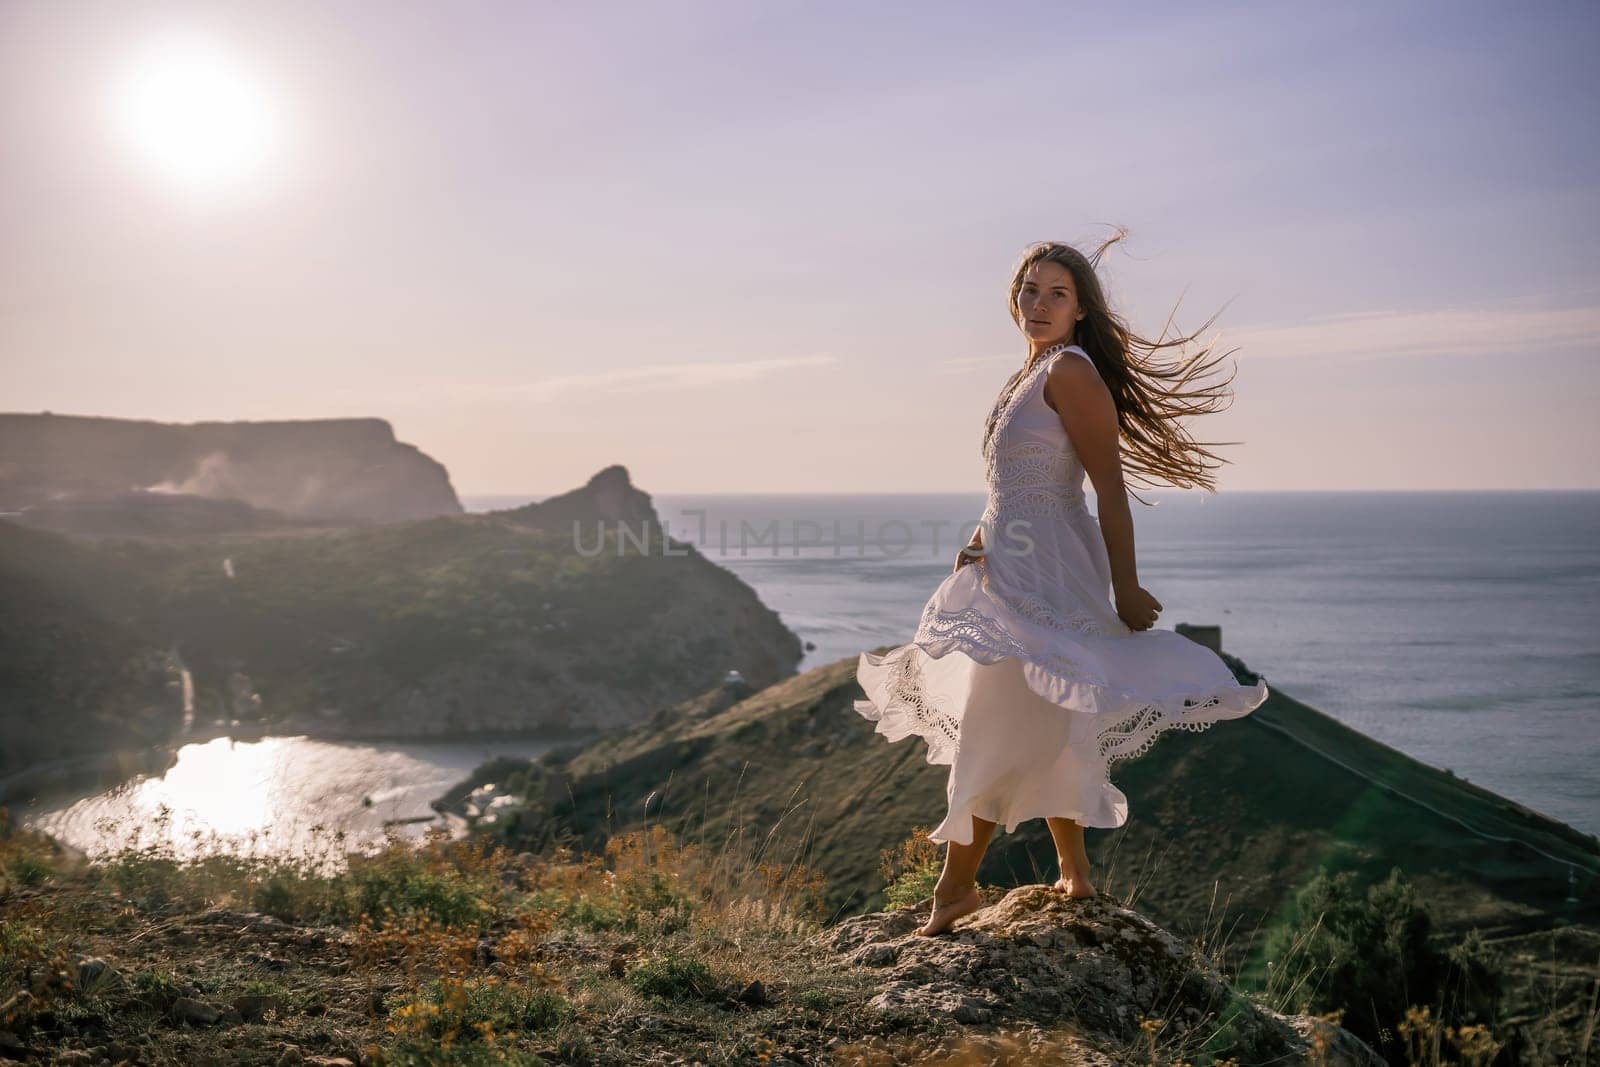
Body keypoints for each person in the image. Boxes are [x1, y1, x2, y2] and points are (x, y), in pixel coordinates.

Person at [853, 230, 1271, 937]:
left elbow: (1107, 487)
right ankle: (1074, 874)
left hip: (1052, 576)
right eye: (1029, 290)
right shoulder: (1027, 374)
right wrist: (981, 542)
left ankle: (954, 890)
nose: (1039, 303)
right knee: (1049, 710)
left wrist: (1128, 588)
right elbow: (1014, 486)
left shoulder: (1071, 371)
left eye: (1057, 293)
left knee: (1003, 718)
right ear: (1012, 299)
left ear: (1080, 310)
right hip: (1011, 567)